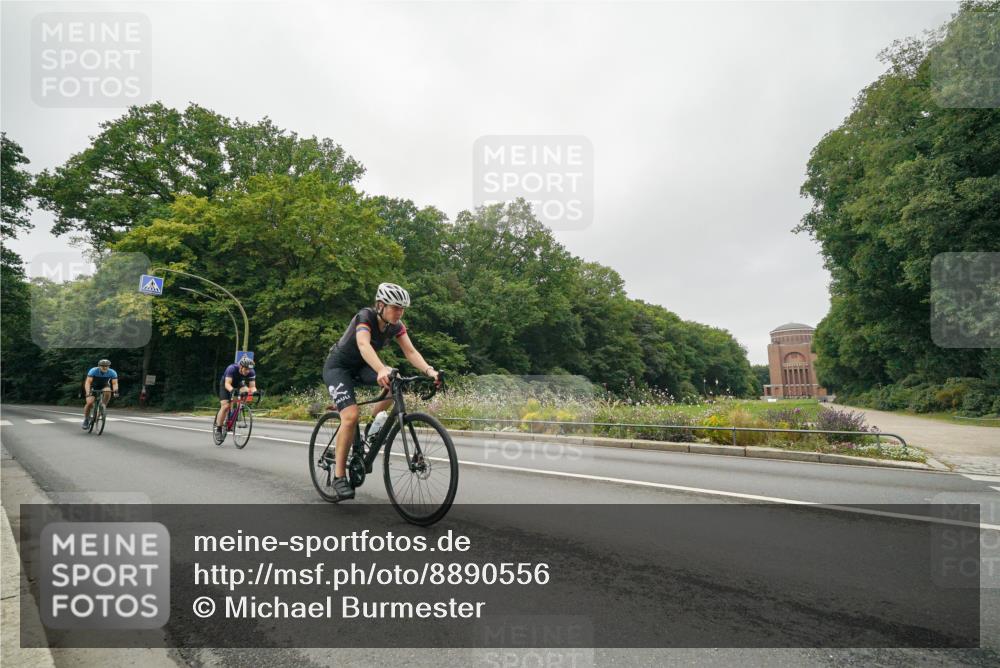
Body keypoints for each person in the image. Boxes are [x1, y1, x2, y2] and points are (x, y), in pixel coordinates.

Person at [322, 282, 440, 501]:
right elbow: (364, 345)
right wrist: (380, 369)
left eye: (402, 308)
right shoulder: (365, 317)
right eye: (395, 308)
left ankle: (372, 428)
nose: (399, 312)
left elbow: (411, 352)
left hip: (362, 367)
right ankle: (339, 476)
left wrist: (430, 371)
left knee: (394, 382)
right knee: (350, 415)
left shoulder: (396, 325)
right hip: (339, 368)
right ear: (380, 305)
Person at [215, 356, 257, 439]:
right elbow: (227, 384)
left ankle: (237, 413)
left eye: (249, 369)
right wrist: (232, 391)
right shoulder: (232, 368)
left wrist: (255, 392)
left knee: (245, 392)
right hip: (226, 384)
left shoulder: (251, 371)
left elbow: (252, 387)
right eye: (246, 369)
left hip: (239, 383)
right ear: (241, 367)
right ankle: (219, 429)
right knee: (225, 406)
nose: (247, 371)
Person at [82, 359, 119, 429]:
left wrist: (116, 391)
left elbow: (114, 383)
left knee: (108, 391)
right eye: (103, 366)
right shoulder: (93, 370)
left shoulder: (112, 372)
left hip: (104, 385)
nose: (105, 367)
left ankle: (103, 407)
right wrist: (87, 392)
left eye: (107, 366)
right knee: (89, 403)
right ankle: (86, 419)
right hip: (93, 386)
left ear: (109, 366)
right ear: (99, 366)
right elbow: (88, 382)